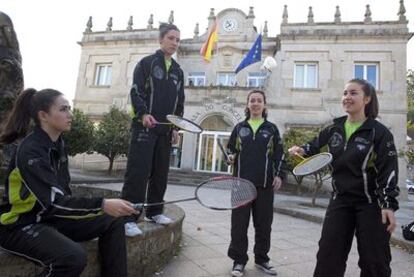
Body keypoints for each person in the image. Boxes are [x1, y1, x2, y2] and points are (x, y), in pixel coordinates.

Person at [0, 88, 138, 277]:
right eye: (63, 109)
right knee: (72, 257)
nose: (70, 114)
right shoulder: (31, 151)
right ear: (44, 116)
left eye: (69, 109)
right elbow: (54, 202)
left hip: (50, 219)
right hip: (20, 224)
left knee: (114, 220)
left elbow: (64, 195)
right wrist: (103, 204)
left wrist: (111, 209)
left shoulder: (58, 145)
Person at [288, 79, 399, 277]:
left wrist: (388, 204)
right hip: (340, 200)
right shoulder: (334, 127)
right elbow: (314, 145)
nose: (347, 97)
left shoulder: (379, 133)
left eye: (353, 93)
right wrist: (302, 149)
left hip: (371, 204)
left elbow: (388, 170)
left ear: (366, 99)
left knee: (375, 261)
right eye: (345, 93)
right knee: (328, 257)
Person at [121, 23, 184, 237]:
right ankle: (128, 218)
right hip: (144, 127)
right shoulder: (146, 64)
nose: (175, 43)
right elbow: (135, 91)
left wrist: (176, 127)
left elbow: (179, 103)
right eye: (171, 38)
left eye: (177, 40)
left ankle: (154, 211)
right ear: (160, 39)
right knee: (138, 173)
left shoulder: (178, 71)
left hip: (165, 131)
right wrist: (142, 114)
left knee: (160, 173)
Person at [226, 90, 284, 277]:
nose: (256, 103)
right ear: (247, 104)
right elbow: (230, 150)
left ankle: (262, 259)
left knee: (264, 225)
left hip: (265, 185)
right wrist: (230, 157)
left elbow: (279, 155)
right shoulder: (239, 127)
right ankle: (239, 260)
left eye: (259, 100)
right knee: (239, 226)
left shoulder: (272, 129)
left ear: (264, 105)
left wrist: (280, 175)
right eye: (252, 100)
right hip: (241, 184)